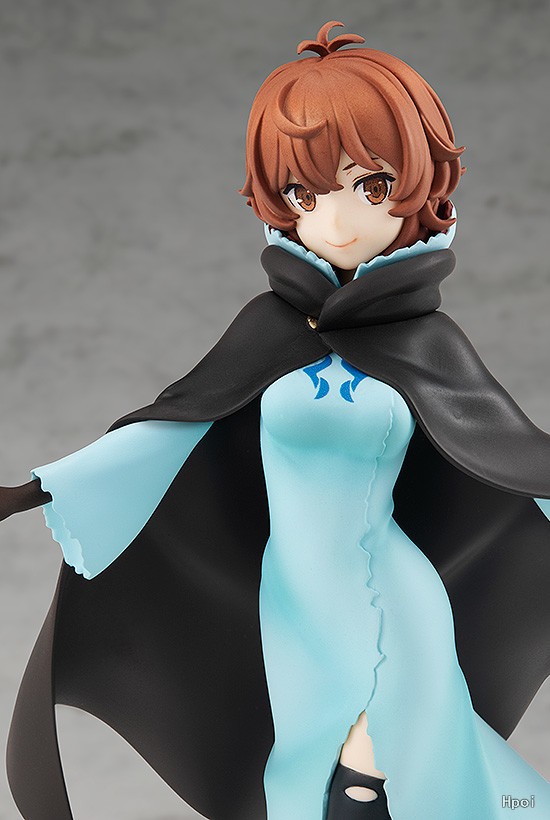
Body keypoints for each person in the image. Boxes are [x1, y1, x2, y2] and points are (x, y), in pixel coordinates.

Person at [2, 20, 550, 820]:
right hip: (292, 607)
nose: (337, 221)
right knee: (307, 777)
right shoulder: (269, 332)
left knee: (384, 765)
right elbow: (171, 429)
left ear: (421, 183)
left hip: (392, 598)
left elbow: (511, 454)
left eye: (371, 185)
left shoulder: (428, 343)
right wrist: (32, 491)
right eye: (305, 193)